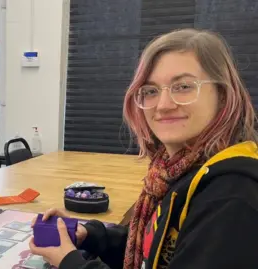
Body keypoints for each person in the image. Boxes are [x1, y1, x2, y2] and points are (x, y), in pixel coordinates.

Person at [29, 28, 258, 269]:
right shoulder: (175, 171)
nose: (163, 105)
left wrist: (71, 263)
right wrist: (92, 235)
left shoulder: (232, 196)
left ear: (223, 95)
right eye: (150, 91)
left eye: (183, 86)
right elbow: (152, 249)